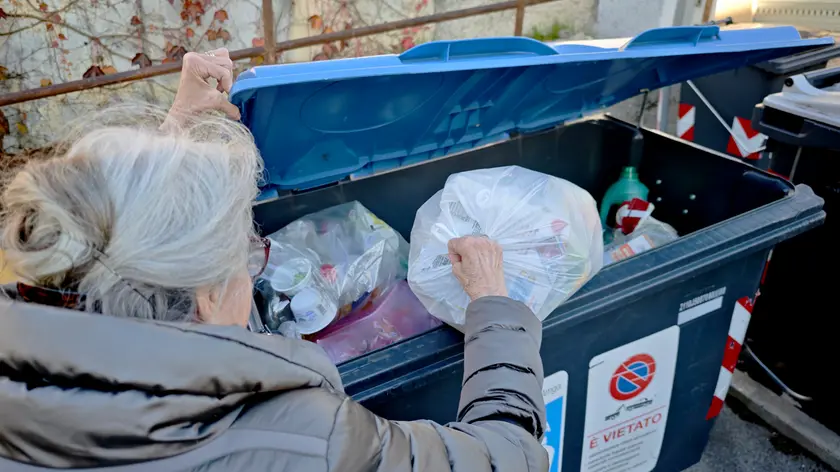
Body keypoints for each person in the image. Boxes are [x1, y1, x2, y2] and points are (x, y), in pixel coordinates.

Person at [0, 49, 548, 472]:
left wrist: (174, 152)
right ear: (207, 296)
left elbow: (108, 251)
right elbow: (509, 456)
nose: (255, 266)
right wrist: (494, 306)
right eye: (245, 253)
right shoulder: (303, 439)